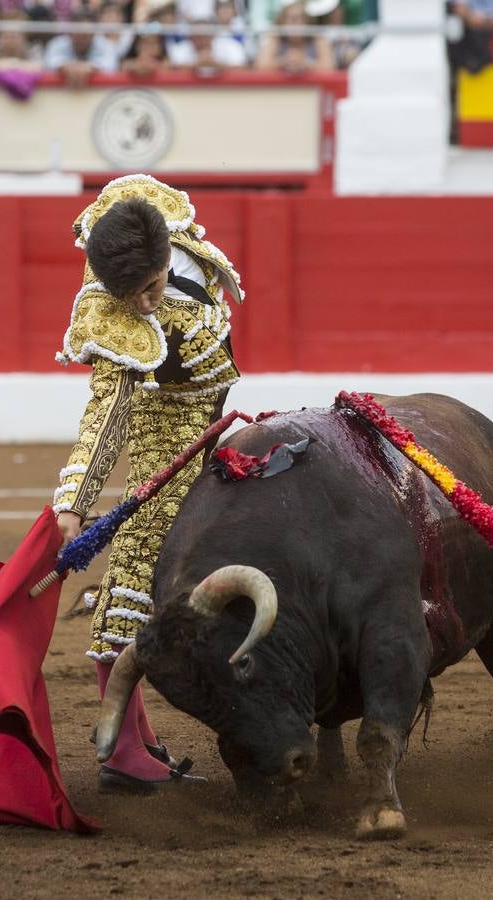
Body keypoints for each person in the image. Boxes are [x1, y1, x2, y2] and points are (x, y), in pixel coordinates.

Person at [52, 174, 244, 793]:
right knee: (140, 562)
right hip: (171, 420)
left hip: (213, 403)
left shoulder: (155, 226)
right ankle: (121, 751)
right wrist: (76, 505)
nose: (141, 307)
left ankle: (140, 735)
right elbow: (106, 414)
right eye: (128, 296)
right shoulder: (118, 318)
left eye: (150, 290)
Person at [43, 7, 120, 83]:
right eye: (77, 35)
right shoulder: (57, 43)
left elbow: (111, 65)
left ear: (93, 34)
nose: (81, 40)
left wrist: (89, 68)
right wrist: (65, 67)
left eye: (85, 35)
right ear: (69, 34)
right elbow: (49, 63)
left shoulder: (104, 44)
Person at [256, 0, 334, 73]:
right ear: (283, 21)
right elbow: (261, 66)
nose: (297, 24)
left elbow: (329, 67)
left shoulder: (317, 38)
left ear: (308, 21)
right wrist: (284, 62)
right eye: (293, 19)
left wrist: (306, 63)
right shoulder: (275, 38)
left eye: (302, 19)